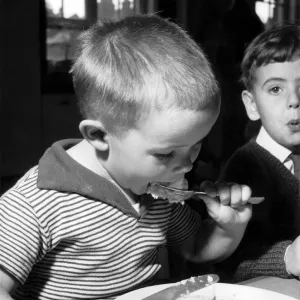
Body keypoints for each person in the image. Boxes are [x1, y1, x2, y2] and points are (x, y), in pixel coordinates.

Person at [0, 15, 255, 300]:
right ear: (98, 136)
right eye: (165, 152)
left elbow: (195, 247)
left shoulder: (158, 193)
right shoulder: (35, 204)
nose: (187, 165)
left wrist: (228, 226)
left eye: (196, 145)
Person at [215, 23, 300, 282]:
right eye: (276, 89)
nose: (294, 100)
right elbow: (230, 264)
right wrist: (287, 258)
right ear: (252, 105)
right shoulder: (244, 168)